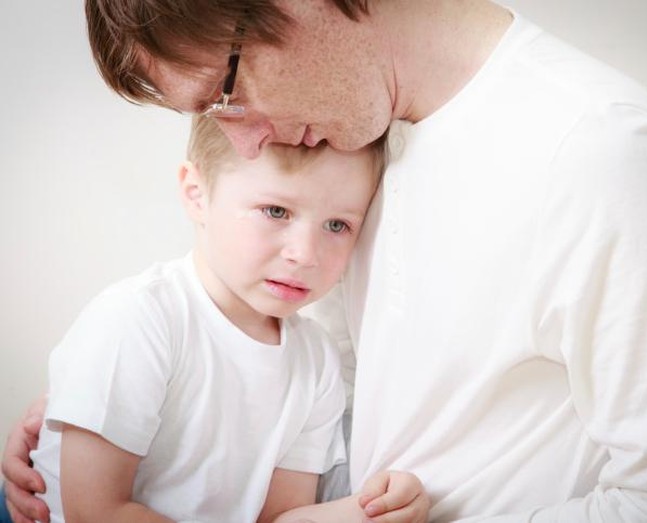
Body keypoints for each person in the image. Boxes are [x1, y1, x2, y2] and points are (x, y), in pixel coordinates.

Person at [4, 0, 647, 521]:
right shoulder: (360, 133)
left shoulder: (597, 152)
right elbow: (330, 391)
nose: (245, 143)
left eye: (228, 93)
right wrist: (100, 417)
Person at [7, 114, 429, 523]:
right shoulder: (139, 318)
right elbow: (96, 513)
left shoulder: (316, 360)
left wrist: (363, 512)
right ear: (197, 193)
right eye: (276, 211)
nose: (305, 254)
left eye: (337, 224)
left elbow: (279, 517)